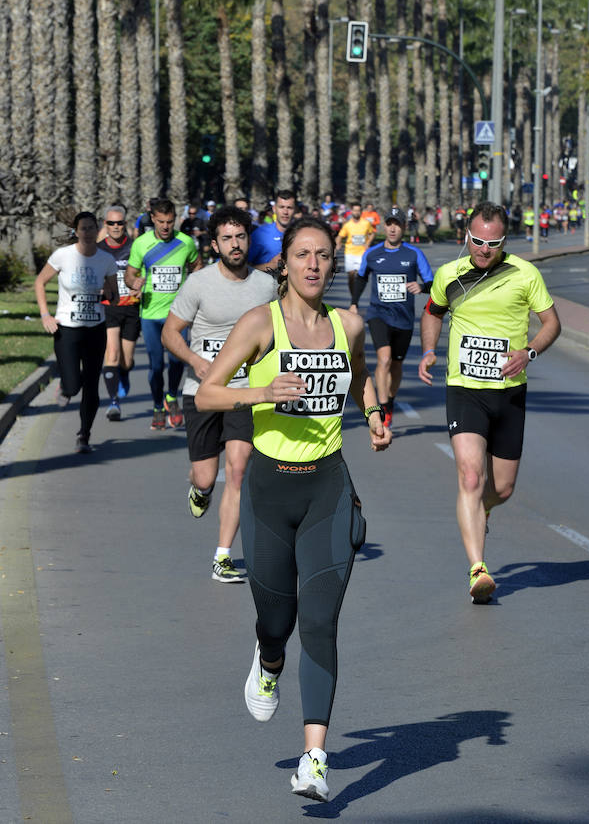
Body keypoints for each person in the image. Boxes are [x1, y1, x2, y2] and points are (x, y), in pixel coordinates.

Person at [195, 218, 391, 803]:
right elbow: (208, 392)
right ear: (284, 263)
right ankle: (269, 658)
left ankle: (314, 759)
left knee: (322, 622)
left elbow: (358, 380)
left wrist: (376, 413)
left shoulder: (347, 324)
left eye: (323, 256)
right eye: (302, 254)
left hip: (327, 486)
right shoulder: (260, 324)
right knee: (277, 621)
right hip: (269, 490)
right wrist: (261, 392)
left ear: (334, 264)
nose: (312, 264)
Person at [418, 202, 561, 603]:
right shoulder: (449, 274)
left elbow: (552, 323)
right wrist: (429, 349)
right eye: (478, 240)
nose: (483, 249)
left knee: (503, 487)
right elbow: (433, 313)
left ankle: (484, 510)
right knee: (469, 476)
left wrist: (528, 352)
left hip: (510, 391)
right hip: (464, 388)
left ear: (504, 241)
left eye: (493, 242)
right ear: (467, 234)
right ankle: (478, 569)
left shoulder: (524, 273)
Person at [162, 206, 277, 583]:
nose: (234, 244)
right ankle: (200, 490)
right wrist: (195, 361)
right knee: (207, 477)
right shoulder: (199, 284)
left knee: (239, 469)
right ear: (214, 245)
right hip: (203, 391)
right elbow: (170, 333)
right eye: (226, 238)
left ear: (249, 240)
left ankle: (223, 555)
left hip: (245, 391)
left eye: (240, 237)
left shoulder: (265, 286)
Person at [35, 212, 118, 453]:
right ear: (76, 231)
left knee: (92, 385)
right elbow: (40, 282)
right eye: (83, 228)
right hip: (67, 330)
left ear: (97, 230)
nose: (88, 233)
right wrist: (45, 315)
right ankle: (66, 387)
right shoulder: (63, 256)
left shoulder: (106, 259)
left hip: (95, 329)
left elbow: (115, 296)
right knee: (72, 387)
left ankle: (84, 435)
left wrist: (108, 295)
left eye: (92, 228)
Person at [349, 210, 433, 428]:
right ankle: (382, 407)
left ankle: (391, 401)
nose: (393, 228)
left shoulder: (414, 254)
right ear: (383, 227)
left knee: (396, 365)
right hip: (378, 314)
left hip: (404, 319)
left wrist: (422, 287)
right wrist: (354, 302)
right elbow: (360, 278)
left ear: (404, 227)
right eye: (389, 224)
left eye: (397, 224)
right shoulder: (373, 253)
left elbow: (432, 282)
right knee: (384, 359)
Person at [125, 198, 201, 430]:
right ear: (153, 220)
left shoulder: (185, 242)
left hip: (178, 314)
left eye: (169, 221)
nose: (166, 226)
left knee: (178, 361)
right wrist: (134, 282)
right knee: (156, 366)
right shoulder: (141, 243)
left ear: (175, 219)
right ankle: (158, 406)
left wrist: (192, 289)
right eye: (161, 222)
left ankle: (171, 398)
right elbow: (130, 274)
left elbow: (197, 266)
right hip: (150, 314)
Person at [97, 205, 141, 420]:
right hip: (109, 307)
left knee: (127, 360)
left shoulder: (135, 247)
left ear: (125, 224)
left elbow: (145, 273)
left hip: (131, 308)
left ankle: (123, 374)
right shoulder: (97, 249)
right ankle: (113, 402)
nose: (116, 227)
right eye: (111, 223)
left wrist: (141, 286)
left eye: (120, 223)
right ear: (105, 225)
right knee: (112, 354)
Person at [247, 190, 296, 272]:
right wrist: (271, 265)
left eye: (289, 208)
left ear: (295, 210)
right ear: (274, 209)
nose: (285, 212)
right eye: (281, 207)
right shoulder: (260, 234)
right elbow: (244, 268)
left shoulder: (301, 235)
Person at [335, 201, 375, 294]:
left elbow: (372, 233)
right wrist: (338, 242)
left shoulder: (366, 223)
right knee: (351, 276)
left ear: (361, 212)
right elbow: (340, 236)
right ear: (351, 212)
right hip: (350, 253)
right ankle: (353, 295)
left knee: (358, 275)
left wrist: (368, 243)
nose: (356, 212)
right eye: (355, 210)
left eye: (358, 210)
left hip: (361, 253)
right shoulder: (347, 225)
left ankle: (355, 298)